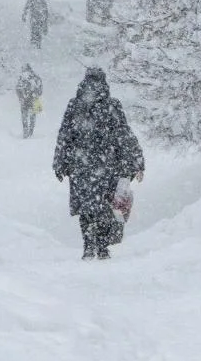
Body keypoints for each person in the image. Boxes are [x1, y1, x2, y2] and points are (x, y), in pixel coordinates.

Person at [52, 68, 144, 260]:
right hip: (106, 166)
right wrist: (136, 162)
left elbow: (64, 136)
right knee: (103, 207)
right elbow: (124, 135)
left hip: (81, 166)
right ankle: (102, 247)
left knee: (86, 208)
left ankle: (87, 246)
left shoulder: (74, 105)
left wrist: (60, 162)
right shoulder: (112, 105)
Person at [15, 64, 43, 138]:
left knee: (25, 117)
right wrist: (36, 95)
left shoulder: (22, 78)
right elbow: (40, 90)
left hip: (25, 100)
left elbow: (17, 89)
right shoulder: (36, 77)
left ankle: (26, 132)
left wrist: (21, 97)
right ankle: (30, 132)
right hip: (33, 100)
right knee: (32, 117)